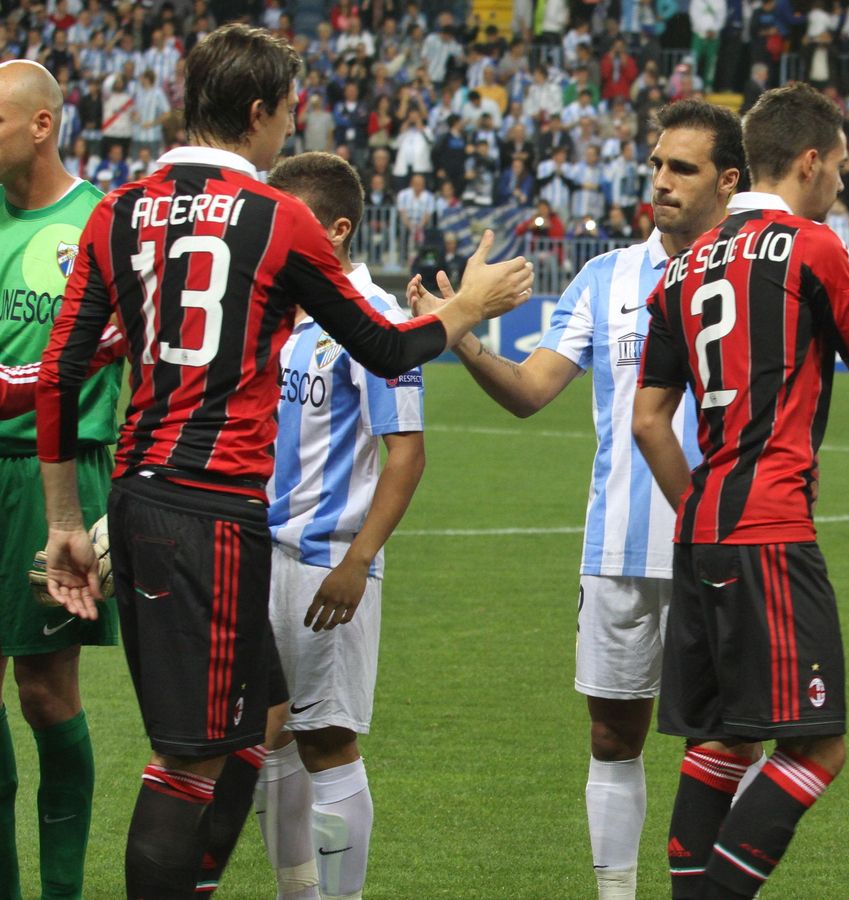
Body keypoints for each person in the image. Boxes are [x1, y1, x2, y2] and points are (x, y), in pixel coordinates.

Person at [33, 25, 533, 898]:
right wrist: (467, 310)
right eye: (288, 113)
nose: (288, 130)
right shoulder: (277, 218)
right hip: (215, 508)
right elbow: (384, 345)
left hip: (136, 497)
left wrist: (67, 522)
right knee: (188, 759)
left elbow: (58, 369)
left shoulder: (118, 210)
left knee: (255, 721)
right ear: (261, 112)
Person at [408, 99, 747, 900]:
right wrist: (460, 333)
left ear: (729, 181)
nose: (660, 182)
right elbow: (531, 392)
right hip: (621, 547)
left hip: (726, 544)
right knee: (611, 733)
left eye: (683, 169)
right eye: (657, 164)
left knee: (727, 740)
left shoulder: (754, 273)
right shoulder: (605, 277)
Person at [632, 82, 849, 899]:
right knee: (818, 748)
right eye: (843, 169)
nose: (842, 185)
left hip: (702, 528)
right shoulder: (813, 247)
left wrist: (698, 508)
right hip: (771, 527)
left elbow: (650, 420)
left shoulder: (679, 270)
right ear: (812, 161)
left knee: (720, 742)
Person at [225, 151, 427, 900]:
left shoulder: (373, 319)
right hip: (259, 551)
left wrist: (360, 558)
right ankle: (297, 893)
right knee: (265, 736)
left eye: (291, 221)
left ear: (337, 230)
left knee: (326, 742)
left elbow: (406, 454)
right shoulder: (277, 310)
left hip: (329, 562)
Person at [0, 58, 121, 900]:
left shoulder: (100, 226)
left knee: (44, 692)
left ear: (42, 124)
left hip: (52, 479)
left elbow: (85, 360)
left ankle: (62, 892)